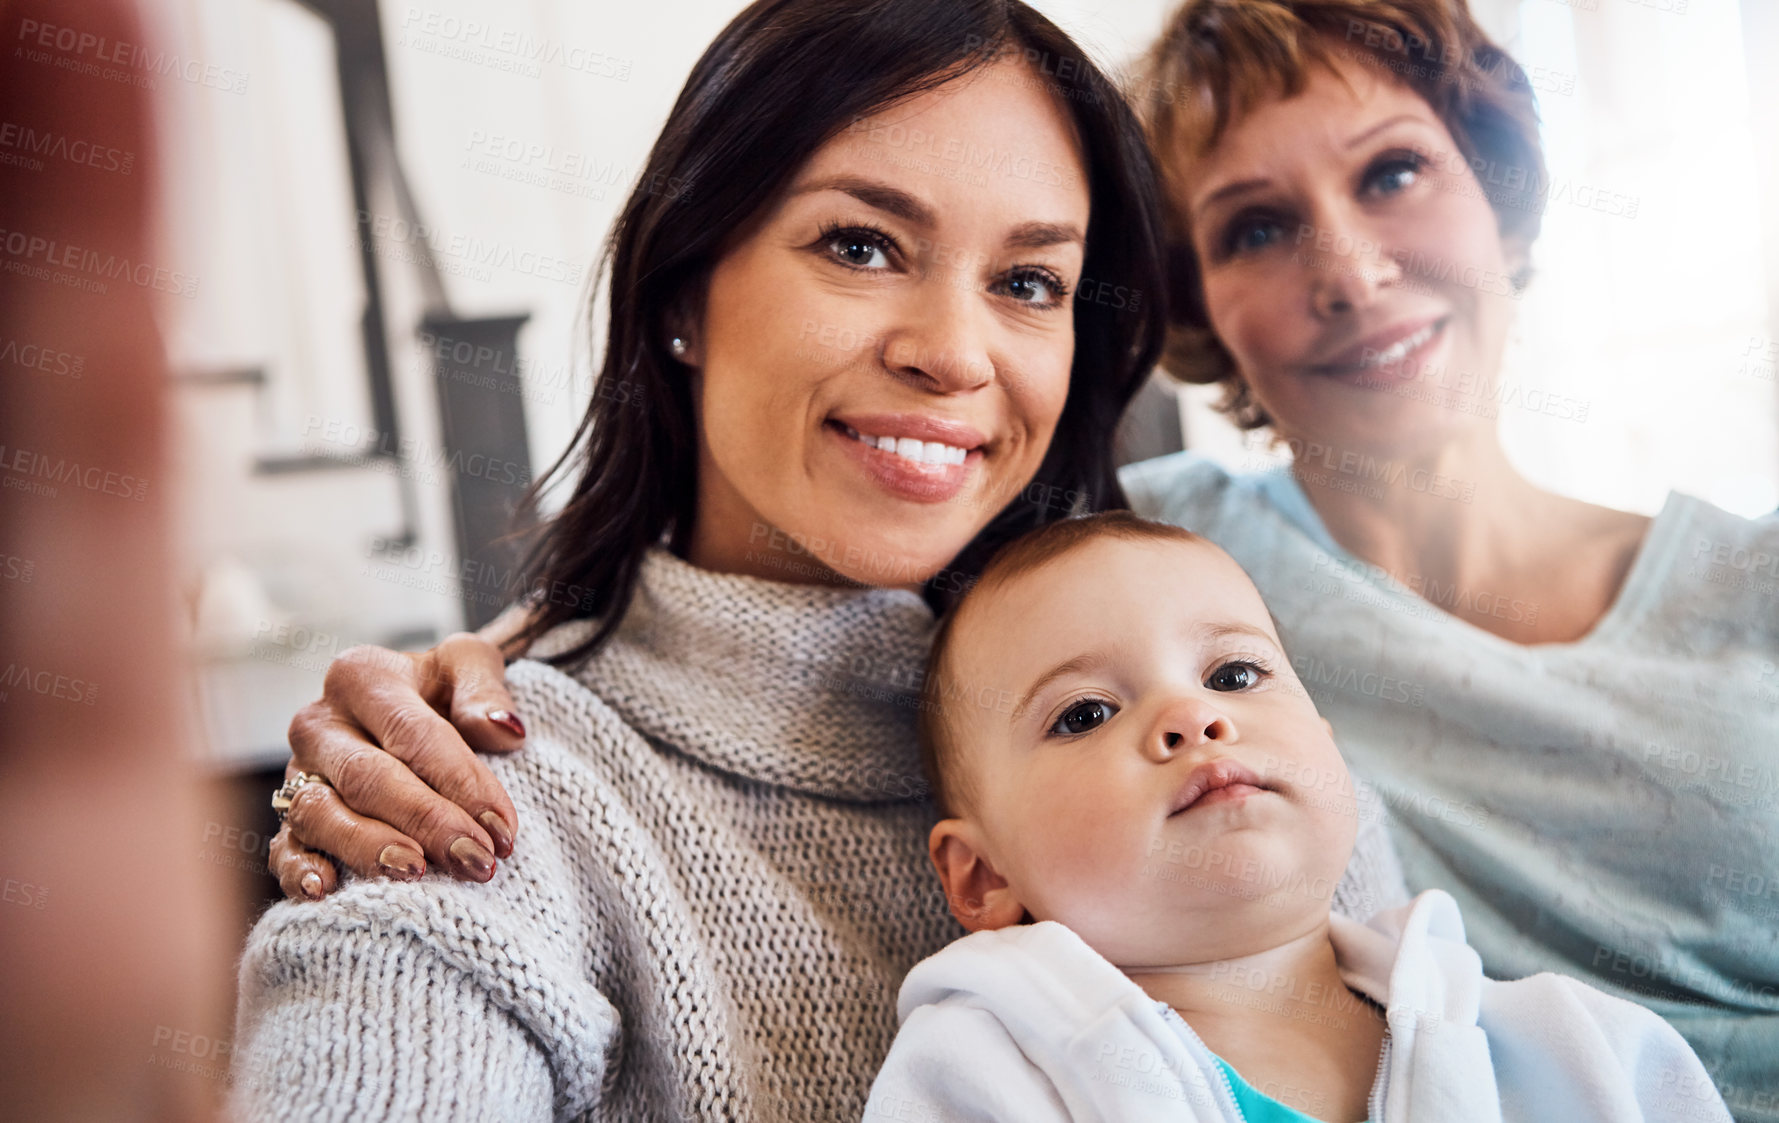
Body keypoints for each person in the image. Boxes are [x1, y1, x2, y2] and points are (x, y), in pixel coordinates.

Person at [267, 0, 1779, 1115]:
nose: (949, 351)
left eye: (1029, 279)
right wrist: (514, 669)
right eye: (858, 242)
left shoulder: (1194, 652)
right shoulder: (473, 804)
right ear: (681, 287)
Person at [864, 511, 1731, 1123]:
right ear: (983, 877)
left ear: (1327, 745)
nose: (1193, 719)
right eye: (1085, 712)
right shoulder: (980, 1072)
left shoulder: (1577, 1045)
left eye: (1234, 675)